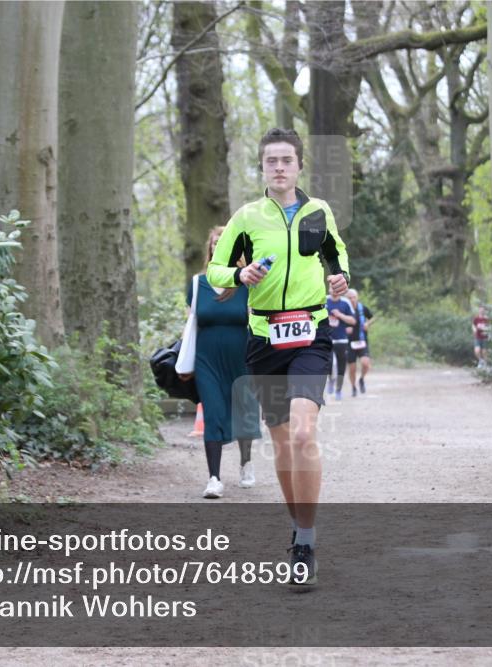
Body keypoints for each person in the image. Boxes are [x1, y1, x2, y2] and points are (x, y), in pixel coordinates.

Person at [207, 128, 349, 585]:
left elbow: (336, 254)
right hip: (264, 340)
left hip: (311, 334)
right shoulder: (246, 217)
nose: (280, 167)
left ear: (300, 166)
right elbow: (215, 272)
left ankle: (305, 540)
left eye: (287, 160)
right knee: (285, 444)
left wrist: (340, 278)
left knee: (305, 434)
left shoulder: (318, 212)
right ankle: (298, 524)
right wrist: (239, 272)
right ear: (263, 168)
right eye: (272, 161)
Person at [181, 227, 262, 499]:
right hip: (207, 360)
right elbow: (190, 323)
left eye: (225, 242)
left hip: (241, 358)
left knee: (244, 411)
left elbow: (258, 322)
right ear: (211, 248)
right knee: (213, 412)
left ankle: (246, 462)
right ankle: (214, 477)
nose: (219, 245)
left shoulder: (247, 284)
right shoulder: (197, 283)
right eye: (216, 242)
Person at [326, 292, 356, 401]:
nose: (333, 289)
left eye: (335, 286)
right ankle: (331, 380)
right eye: (331, 286)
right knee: (328, 363)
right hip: (327, 339)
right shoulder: (323, 300)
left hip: (341, 340)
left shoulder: (345, 302)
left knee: (341, 366)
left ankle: (338, 389)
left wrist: (340, 315)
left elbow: (353, 321)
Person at [345, 289, 374, 396]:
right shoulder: (344, 309)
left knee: (365, 363)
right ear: (346, 299)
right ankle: (353, 387)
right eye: (349, 297)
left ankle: (361, 379)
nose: (352, 299)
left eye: (354, 297)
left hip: (362, 341)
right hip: (349, 343)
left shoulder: (362, 308)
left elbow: (372, 317)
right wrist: (344, 329)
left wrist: (367, 324)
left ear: (357, 297)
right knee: (352, 368)